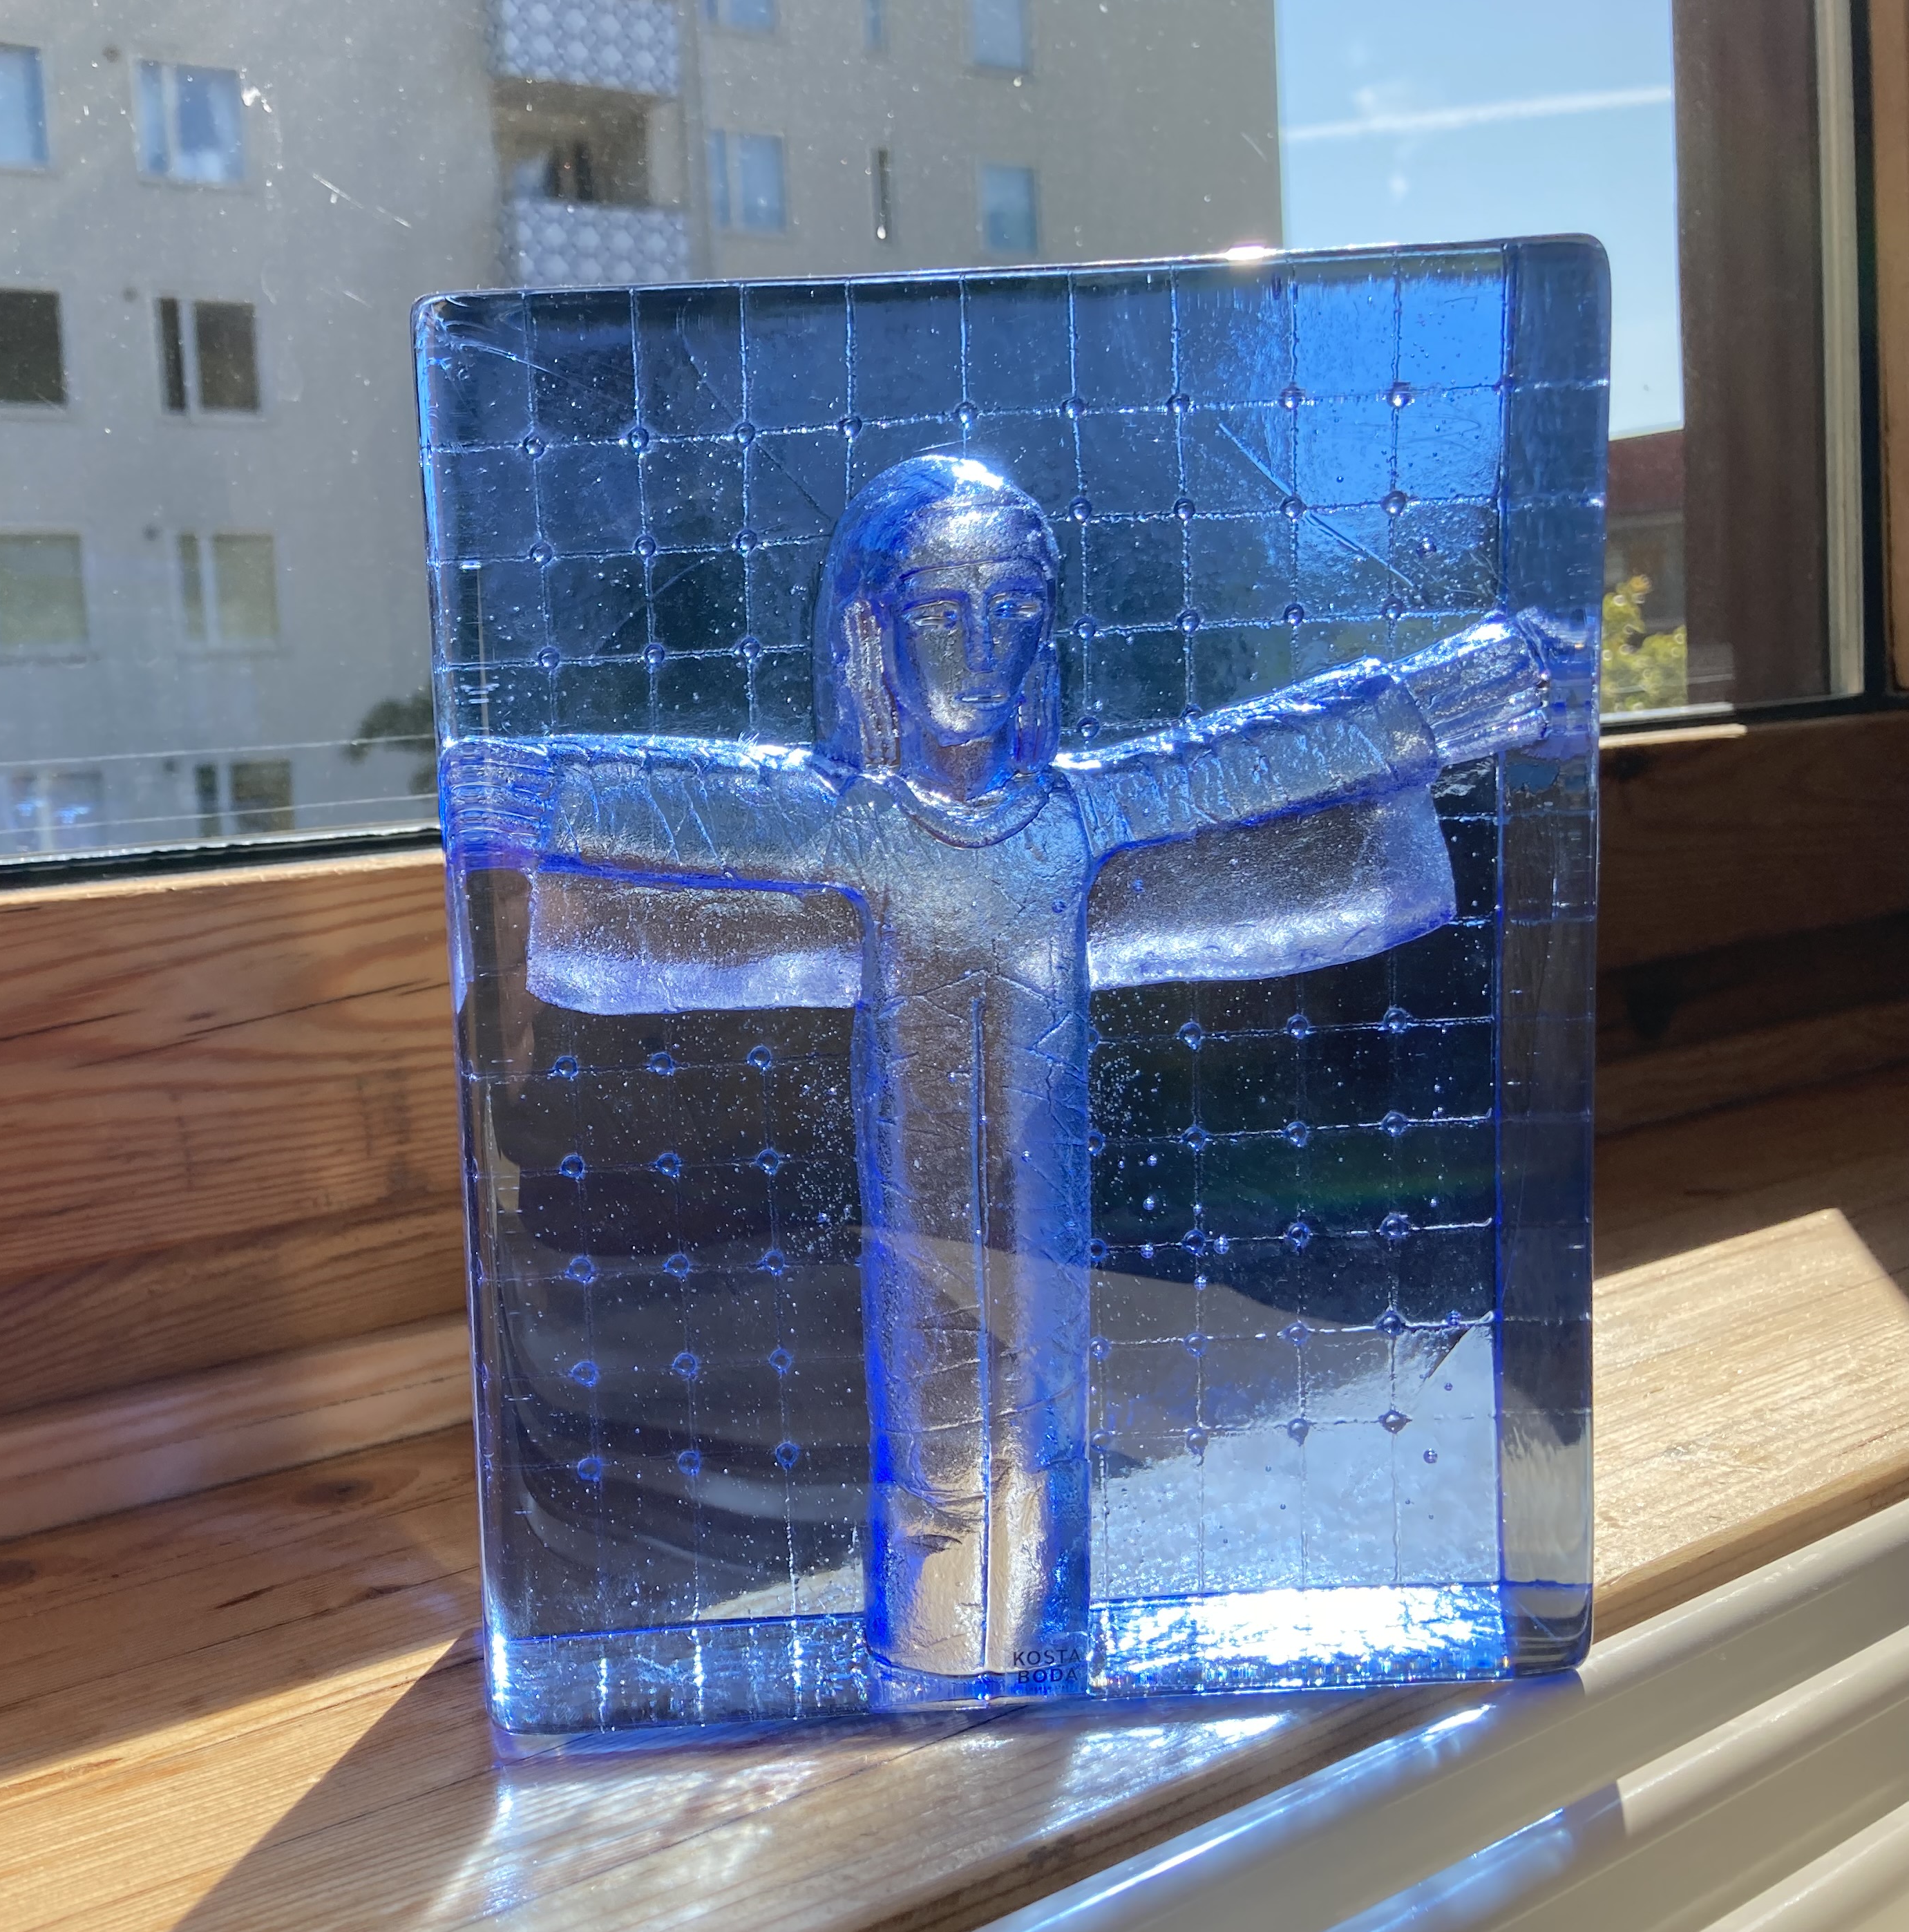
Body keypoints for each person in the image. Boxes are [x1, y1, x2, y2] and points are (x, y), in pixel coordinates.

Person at [441, 450, 1559, 1699]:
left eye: (1016, 605)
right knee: (936, 1441)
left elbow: (1236, 768)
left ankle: (1029, 1639)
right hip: (911, 1232)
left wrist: (1421, 714)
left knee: (1040, 1425)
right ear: (875, 635)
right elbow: (707, 813)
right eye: (942, 609)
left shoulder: (1072, 822)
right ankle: (935, 1648)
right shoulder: (858, 828)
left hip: (1046, 1228)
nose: (982, 645)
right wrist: (537, 794)